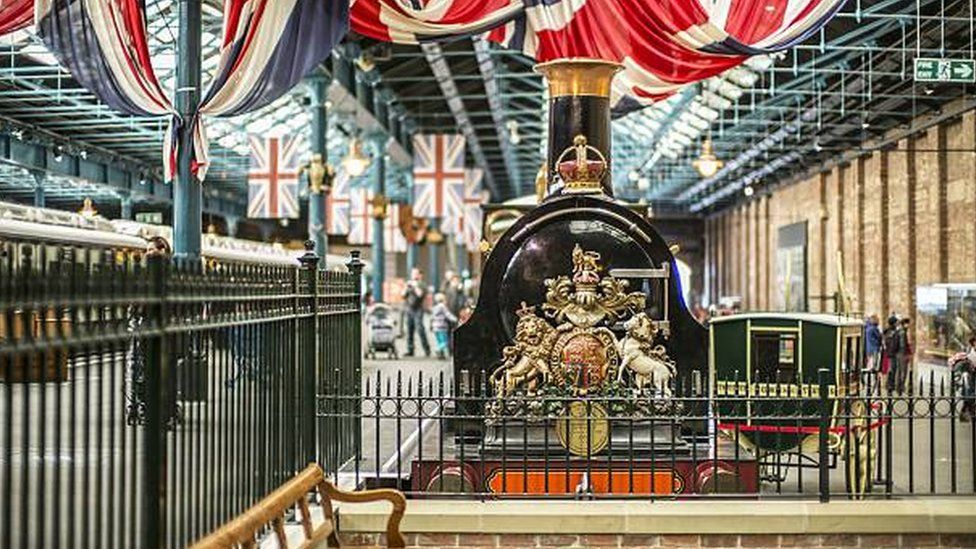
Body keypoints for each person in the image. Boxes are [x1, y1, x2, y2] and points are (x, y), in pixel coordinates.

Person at [402, 267, 431, 357]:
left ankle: (427, 349)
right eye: (412, 273)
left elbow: (420, 294)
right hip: (409, 309)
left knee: (420, 329)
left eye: (415, 273)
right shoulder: (409, 284)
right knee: (409, 330)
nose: (414, 275)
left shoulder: (422, 284)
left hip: (418, 309)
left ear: (419, 275)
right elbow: (402, 295)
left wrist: (415, 286)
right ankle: (410, 350)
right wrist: (406, 287)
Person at [430, 293, 458, 359]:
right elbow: (448, 314)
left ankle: (441, 355)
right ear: (442, 299)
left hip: (435, 327)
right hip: (442, 327)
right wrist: (455, 319)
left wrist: (431, 326)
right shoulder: (442, 306)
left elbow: (432, 317)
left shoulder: (435, 307)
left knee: (439, 341)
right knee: (444, 342)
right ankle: (437, 350)